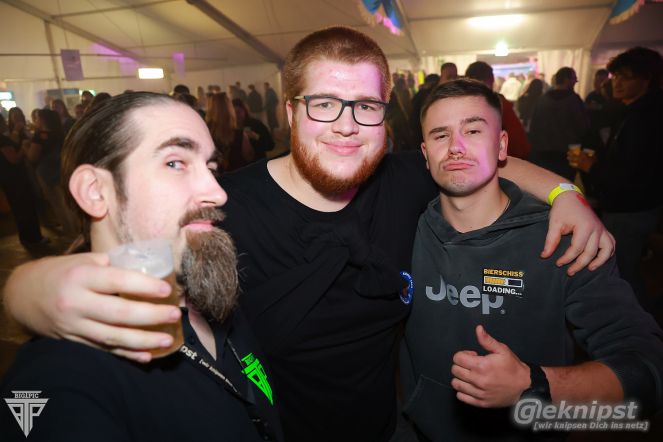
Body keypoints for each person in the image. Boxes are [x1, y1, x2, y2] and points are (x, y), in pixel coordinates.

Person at [3, 27, 615, 442]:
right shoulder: (223, 205)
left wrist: (566, 195)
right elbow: (133, 246)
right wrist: (28, 286)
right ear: (291, 111)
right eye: (324, 103)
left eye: (366, 106)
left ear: (386, 116)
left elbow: (482, 162)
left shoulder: (403, 180)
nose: (347, 125)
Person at [0, 92, 282, 442]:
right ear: (95, 191)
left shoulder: (212, 293)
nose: (217, 192)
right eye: (175, 163)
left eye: (210, 167)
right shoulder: (58, 379)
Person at [399, 78, 663, 441]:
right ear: (425, 153)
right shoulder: (403, 228)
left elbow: (648, 367)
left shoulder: (562, 239)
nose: (456, 147)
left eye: (473, 130)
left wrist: (536, 384)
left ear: (502, 145)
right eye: (441, 135)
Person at [569, 47, 663, 306]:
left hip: (630, 207)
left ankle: (638, 323)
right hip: (639, 204)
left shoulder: (644, 117)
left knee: (623, 272)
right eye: (615, 76)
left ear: (646, 79)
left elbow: (631, 171)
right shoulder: (635, 111)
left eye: (625, 77)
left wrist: (592, 166)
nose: (617, 83)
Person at [529, 67, 589, 180]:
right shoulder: (574, 100)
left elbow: (533, 128)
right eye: (574, 78)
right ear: (567, 80)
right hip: (568, 154)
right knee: (565, 185)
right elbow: (583, 128)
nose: (576, 81)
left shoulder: (542, 100)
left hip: (543, 153)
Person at [466, 61, 531, 159]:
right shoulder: (499, 104)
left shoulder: (459, 106)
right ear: (491, 79)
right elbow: (519, 145)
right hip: (502, 161)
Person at [0, 114, 46, 247]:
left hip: (10, 179)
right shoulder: (2, 140)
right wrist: (24, 148)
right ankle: (33, 238)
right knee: (25, 208)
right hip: (15, 179)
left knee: (20, 209)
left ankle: (27, 238)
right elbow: (13, 159)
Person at [206, 92, 254, 172]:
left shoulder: (204, 132)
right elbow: (249, 156)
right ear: (230, 109)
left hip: (213, 176)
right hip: (236, 175)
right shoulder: (239, 134)